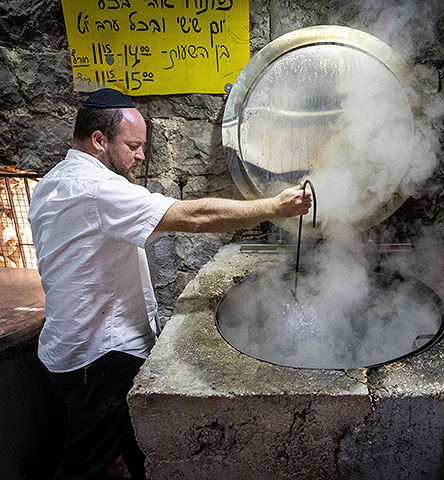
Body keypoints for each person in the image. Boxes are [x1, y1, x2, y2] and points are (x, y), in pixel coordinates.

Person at [28, 88, 311, 480]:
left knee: (135, 446)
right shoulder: (98, 189)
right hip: (101, 355)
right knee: (83, 467)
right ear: (98, 141)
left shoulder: (53, 181)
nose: (141, 156)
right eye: (133, 146)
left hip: (68, 348)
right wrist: (274, 208)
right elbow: (192, 216)